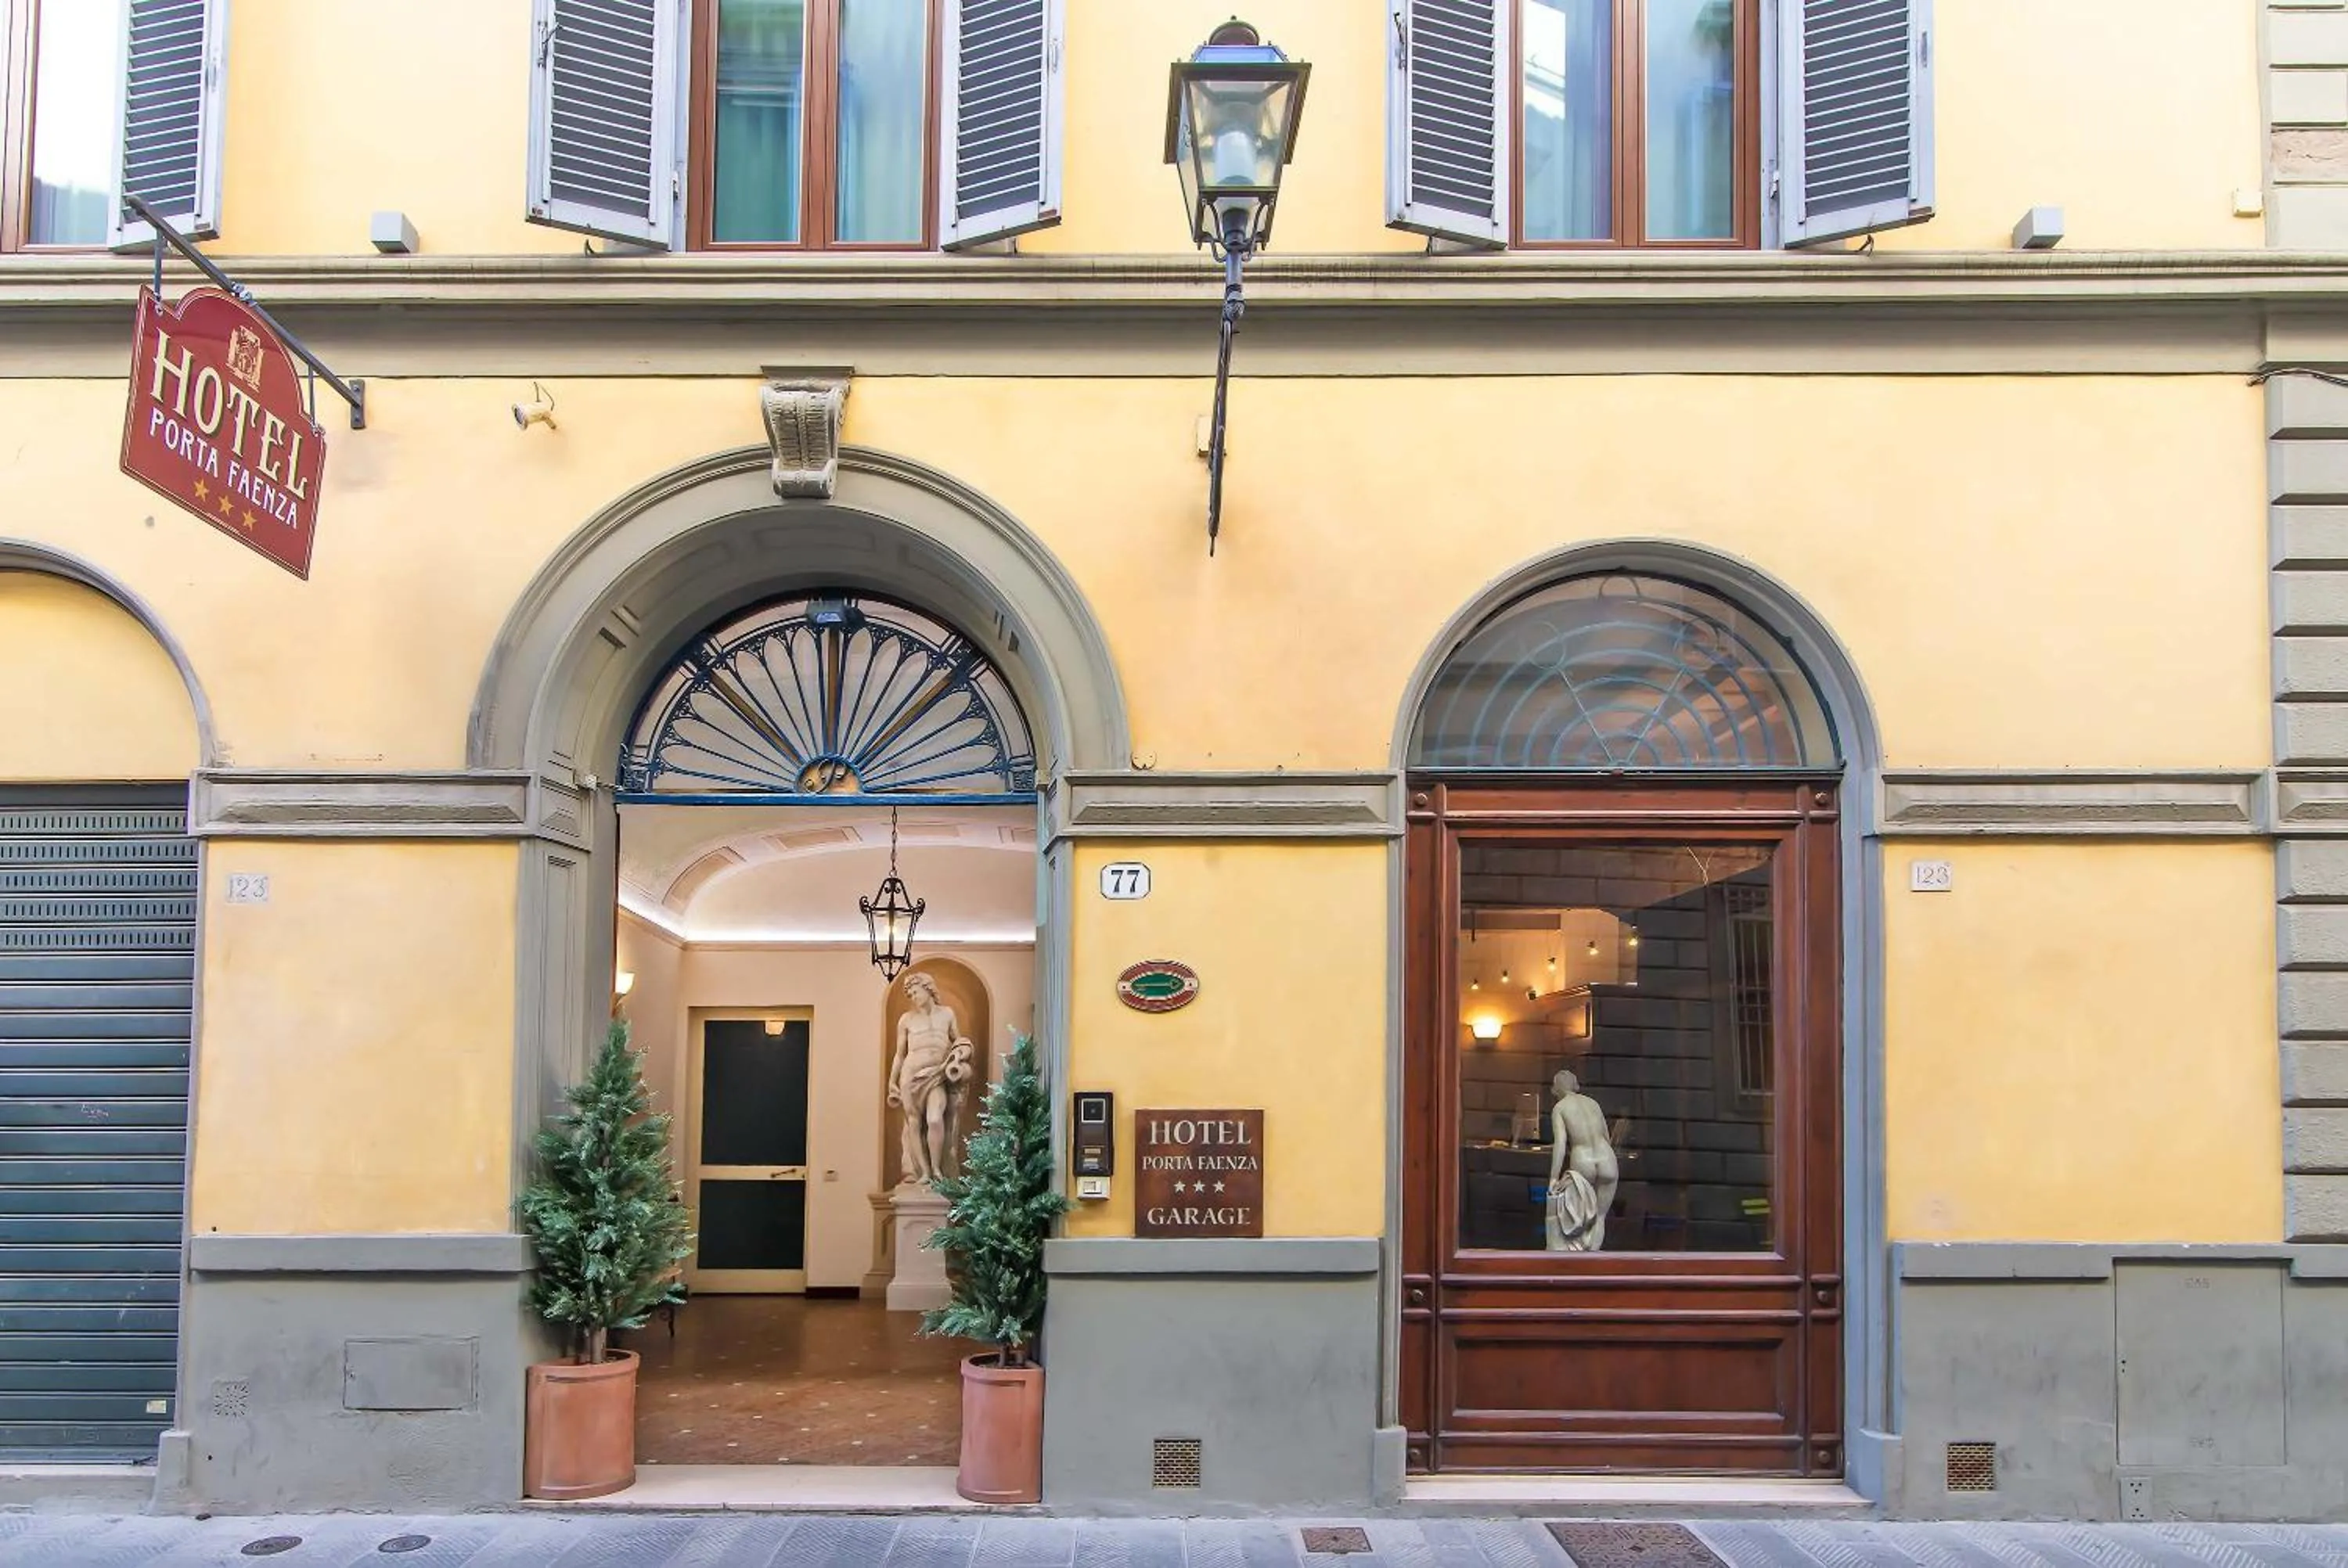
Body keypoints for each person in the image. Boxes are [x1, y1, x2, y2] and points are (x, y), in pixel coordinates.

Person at [887, 972, 974, 1185]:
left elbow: (958, 1041)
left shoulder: (947, 1014)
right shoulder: (906, 1020)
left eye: (916, 992)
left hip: (937, 1075)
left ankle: (937, 1169)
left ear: (927, 988)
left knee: (935, 1119)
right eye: (910, 994)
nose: (913, 997)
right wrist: (892, 1081)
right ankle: (924, 1172)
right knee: (914, 1123)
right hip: (910, 1076)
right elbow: (900, 1054)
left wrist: (962, 1053)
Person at [1546, 1067, 1620, 1251]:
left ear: (1556, 1088)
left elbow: (1561, 1145)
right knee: (1600, 1217)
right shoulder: (1593, 1103)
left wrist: (1554, 1178)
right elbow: (1606, 1136)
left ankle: (1577, 1261)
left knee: (1579, 1218)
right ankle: (1592, 1261)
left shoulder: (1560, 1108)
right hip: (1607, 1158)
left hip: (1583, 1160)